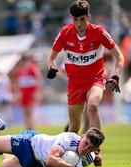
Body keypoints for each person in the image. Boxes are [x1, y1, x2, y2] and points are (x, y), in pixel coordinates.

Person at [46, 0, 124, 134]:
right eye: (75, 19)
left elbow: (119, 56)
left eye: (82, 19)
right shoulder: (65, 33)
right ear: (71, 18)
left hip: (95, 79)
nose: (78, 24)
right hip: (75, 84)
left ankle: (95, 150)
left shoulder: (99, 32)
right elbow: (51, 58)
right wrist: (51, 68)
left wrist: (116, 75)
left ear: (88, 17)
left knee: (93, 106)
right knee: (73, 129)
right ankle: (77, 149)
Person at [0, 107, 105, 167]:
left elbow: (97, 152)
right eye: (85, 143)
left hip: (36, 163)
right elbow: (51, 161)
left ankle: (4, 148)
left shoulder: (91, 154)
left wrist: (97, 159)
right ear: (82, 136)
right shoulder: (67, 138)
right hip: (28, 143)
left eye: (90, 148)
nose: (85, 148)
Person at [11, 54, 43, 129]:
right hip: (23, 95)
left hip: (31, 94)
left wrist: (37, 92)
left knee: (30, 113)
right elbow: (19, 84)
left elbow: (38, 79)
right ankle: (27, 130)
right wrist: (18, 94)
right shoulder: (19, 71)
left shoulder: (32, 69)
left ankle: (32, 130)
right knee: (25, 113)